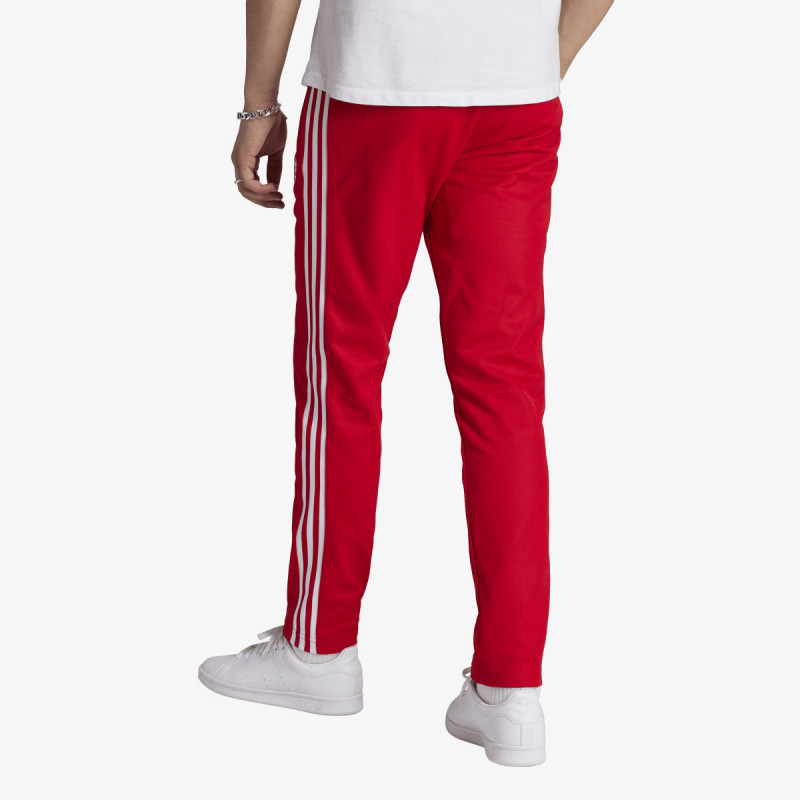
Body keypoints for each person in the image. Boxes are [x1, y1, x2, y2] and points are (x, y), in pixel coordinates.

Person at [198, 0, 614, 767]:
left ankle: (319, 650)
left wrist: (259, 103)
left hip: (376, 90)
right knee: (506, 395)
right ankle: (511, 691)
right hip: (515, 102)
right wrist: (537, 60)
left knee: (341, 374)